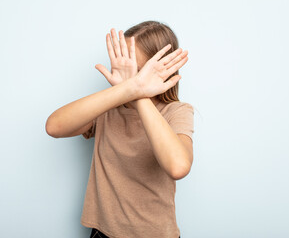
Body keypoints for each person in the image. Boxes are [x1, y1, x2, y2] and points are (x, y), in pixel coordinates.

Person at [45, 20, 193, 238]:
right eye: (124, 65)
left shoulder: (176, 111)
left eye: (138, 71)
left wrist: (137, 92)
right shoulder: (107, 108)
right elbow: (54, 126)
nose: (129, 75)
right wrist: (129, 89)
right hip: (102, 232)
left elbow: (178, 167)